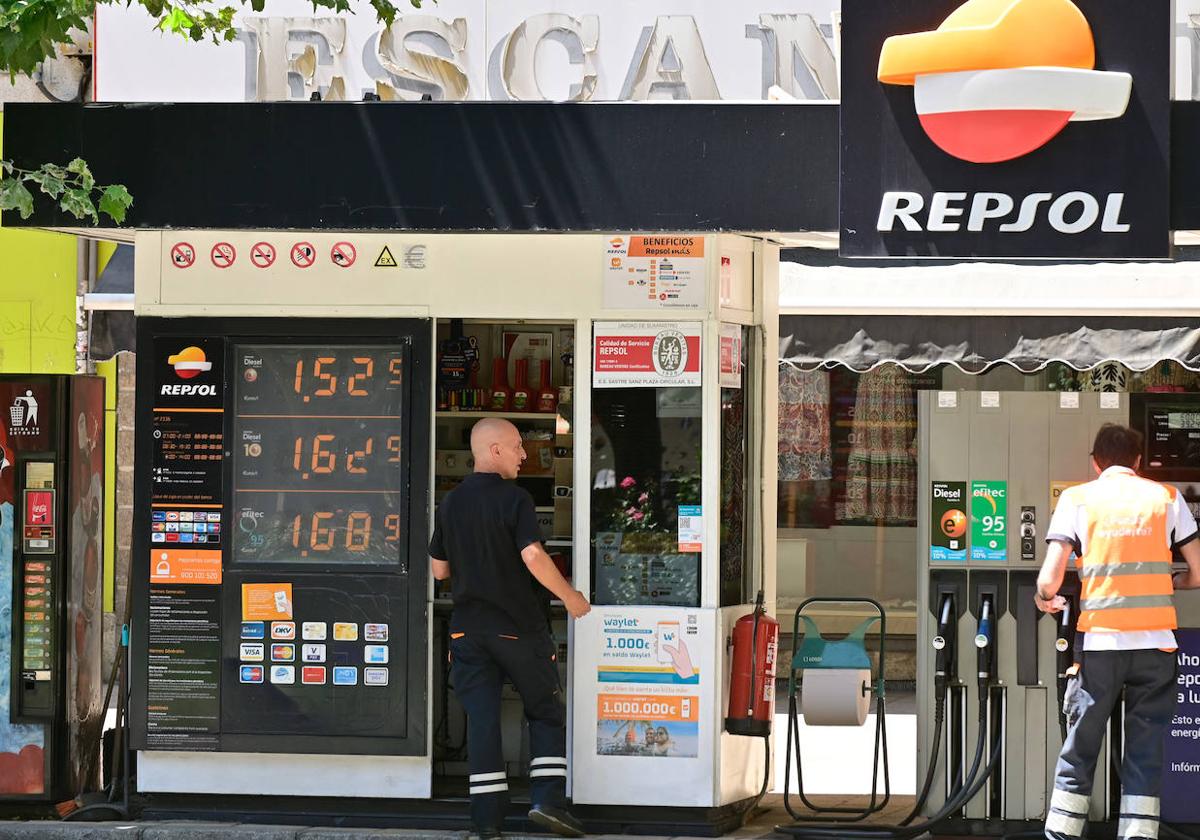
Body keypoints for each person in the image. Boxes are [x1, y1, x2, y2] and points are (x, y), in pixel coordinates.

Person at [1035, 424, 1200, 840]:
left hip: (1101, 646)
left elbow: (1049, 580)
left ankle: (1063, 834)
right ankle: (1139, 835)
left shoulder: (1077, 499)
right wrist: (1176, 582)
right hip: (1156, 647)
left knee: (1081, 745)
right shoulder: (1166, 498)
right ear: (1139, 461)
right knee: (1145, 749)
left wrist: (1045, 599)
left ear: (1095, 462)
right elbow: (1199, 573)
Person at [430, 418, 591, 839]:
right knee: (545, 712)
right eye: (519, 446)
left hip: (467, 632)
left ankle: (486, 821)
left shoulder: (451, 502)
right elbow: (534, 556)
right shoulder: (515, 499)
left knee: (482, 720)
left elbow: (439, 568)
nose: (525, 454)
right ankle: (548, 803)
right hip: (519, 628)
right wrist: (571, 597)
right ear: (495, 449)